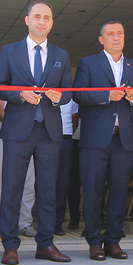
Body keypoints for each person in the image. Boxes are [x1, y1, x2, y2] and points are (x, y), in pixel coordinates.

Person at [0, 1, 72, 265]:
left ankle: (46, 244)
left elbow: (68, 93)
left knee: (48, 190)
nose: (41, 21)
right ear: (27, 20)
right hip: (18, 129)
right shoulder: (9, 51)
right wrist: (19, 94)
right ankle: (9, 244)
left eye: (46, 17)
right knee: (12, 188)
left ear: (52, 23)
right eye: (36, 16)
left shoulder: (62, 55)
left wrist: (59, 96)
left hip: (50, 131)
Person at [73, 19, 133, 260]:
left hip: (124, 140)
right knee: (93, 191)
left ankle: (113, 241)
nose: (116, 37)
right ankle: (94, 241)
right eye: (110, 34)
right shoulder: (88, 63)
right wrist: (106, 95)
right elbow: (78, 94)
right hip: (95, 140)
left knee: (119, 192)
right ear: (101, 39)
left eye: (120, 33)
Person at [0, 97, 37, 239]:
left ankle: (25, 222)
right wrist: (20, 125)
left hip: (28, 137)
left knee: (28, 182)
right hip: (3, 137)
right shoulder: (3, 81)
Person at [54, 99, 78, 236]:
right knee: (46, 183)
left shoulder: (71, 98)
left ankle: (58, 223)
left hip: (66, 140)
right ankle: (45, 221)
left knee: (63, 184)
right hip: (47, 139)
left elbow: (75, 120)